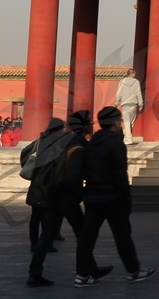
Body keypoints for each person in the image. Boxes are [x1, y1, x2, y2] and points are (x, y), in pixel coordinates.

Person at [25, 113, 110, 287]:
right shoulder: (77, 145)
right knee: (82, 234)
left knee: (47, 235)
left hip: (51, 191)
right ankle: (87, 273)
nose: (92, 125)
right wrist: (79, 194)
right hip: (66, 194)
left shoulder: (56, 140)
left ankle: (35, 273)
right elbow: (73, 174)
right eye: (90, 123)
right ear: (84, 126)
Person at [74, 106, 154, 285]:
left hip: (92, 195)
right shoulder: (116, 143)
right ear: (116, 123)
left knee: (87, 237)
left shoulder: (92, 142)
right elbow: (120, 173)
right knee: (122, 235)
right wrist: (125, 194)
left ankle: (82, 275)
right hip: (112, 196)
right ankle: (133, 270)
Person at [113, 66, 143, 142]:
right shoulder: (136, 82)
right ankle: (128, 138)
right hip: (134, 104)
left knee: (126, 122)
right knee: (131, 122)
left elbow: (119, 93)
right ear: (133, 74)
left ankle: (128, 139)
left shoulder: (122, 82)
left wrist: (116, 103)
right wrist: (141, 104)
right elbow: (138, 93)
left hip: (125, 104)